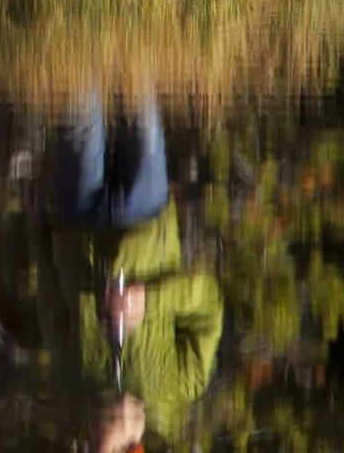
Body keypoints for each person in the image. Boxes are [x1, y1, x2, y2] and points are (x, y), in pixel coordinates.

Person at [31, 90, 223, 449]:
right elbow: (208, 305)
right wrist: (148, 300)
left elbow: (47, 291)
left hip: (78, 219)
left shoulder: (73, 382)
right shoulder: (180, 390)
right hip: (146, 215)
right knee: (139, 102)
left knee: (76, 101)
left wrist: (38, 226)